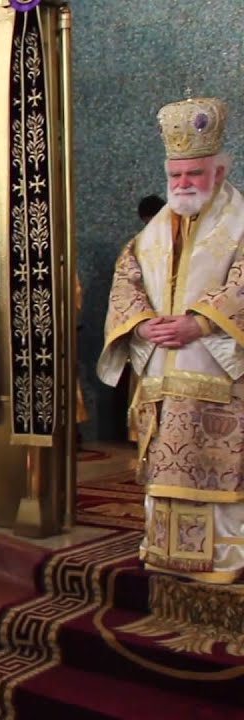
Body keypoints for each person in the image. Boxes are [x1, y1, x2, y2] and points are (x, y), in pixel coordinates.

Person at [98, 97, 244, 584]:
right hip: (164, 377)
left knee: (215, 468)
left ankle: (224, 560)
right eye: (176, 174)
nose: (183, 184)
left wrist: (200, 322)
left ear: (218, 172)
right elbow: (127, 281)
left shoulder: (240, 223)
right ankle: (164, 551)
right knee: (167, 472)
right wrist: (141, 324)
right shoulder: (151, 235)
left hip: (220, 374)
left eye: (194, 174)